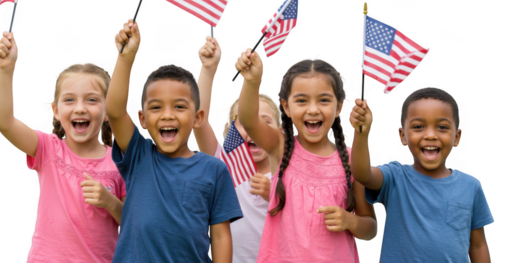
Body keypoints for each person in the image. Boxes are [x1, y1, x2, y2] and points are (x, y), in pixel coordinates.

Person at [108, 19, 243, 263]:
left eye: (179, 107)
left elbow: (221, 236)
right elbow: (115, 111)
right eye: (156, 107)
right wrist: (125, 58)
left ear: (197, 118)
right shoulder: (138, 155)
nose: (168, 114)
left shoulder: (215, 169)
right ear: (143, 119)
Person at [234, 48, 379, 262]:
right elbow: (248, 119)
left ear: (339, 107)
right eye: (302, 101)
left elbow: (370, 228)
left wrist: (351, 221)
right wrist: (252, 81)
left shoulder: (351, 160)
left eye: (324, 100)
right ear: (286, 106)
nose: (313, 109)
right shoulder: (280, 146)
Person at [0, 31, 126, 263]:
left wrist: (110, 202)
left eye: (92, 100)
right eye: (69, 100)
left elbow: (134, 223)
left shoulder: (121, 162)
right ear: (55, 110)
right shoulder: (48, 148)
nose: (80, 108)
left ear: (108, 112)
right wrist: (6, 70)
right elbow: (4, 122)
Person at [349, 87, 495, 262]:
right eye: (418, 127)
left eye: (442, 127)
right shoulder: (394, 176)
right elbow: (362, 174)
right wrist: (362, 133)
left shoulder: (471, 186)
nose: (430, 135)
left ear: (457, 137)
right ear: (402, 136)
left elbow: (478, 245)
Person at [195, 36, 281, 262]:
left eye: (265, 122)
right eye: (243, 122)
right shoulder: (226, 164)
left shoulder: (287, 171)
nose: (254, 129)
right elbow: (200, 120)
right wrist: (208, 68)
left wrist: (274, 194)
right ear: (230, 129)